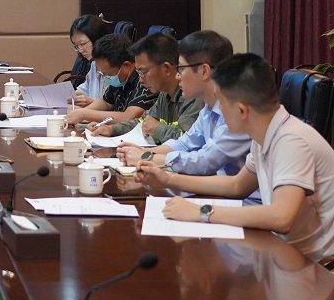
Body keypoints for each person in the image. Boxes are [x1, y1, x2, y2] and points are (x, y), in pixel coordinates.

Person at [137, 53, 334, 263]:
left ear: (241, 110)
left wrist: (201, 212)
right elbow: (237, 185)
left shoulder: (291, 141)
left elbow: (281, 217)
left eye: (221, 103)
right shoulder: (266, 134)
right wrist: (168, 179)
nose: (219, 111)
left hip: (316, 266)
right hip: (283, 254)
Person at [117, 30, 251, 176]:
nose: (177, 76)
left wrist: (148, 158)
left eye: (181, 68)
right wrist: (143, 152)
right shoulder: (208, 108)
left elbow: (204, 161)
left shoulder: (237, 111)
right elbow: (184, 144)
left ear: (204, 71)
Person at [89, 32, 203, 144]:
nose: (140, 79)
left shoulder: (193, 96)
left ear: (166, 68)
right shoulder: (165, 94)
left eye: (143, 72)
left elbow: (188, 141)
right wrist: (111, 129)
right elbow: (142, 122)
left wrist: (157, 128)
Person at [66, 33, 153, 125]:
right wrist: (80, 112)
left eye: (107, 74)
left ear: (126, 66)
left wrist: (85, 114)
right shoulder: (120, 79)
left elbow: (128, 117)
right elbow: (106, 103)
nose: (105, 78)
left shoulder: (145, 80)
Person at [69, 14, 109, 107]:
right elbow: (85, 89)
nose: (80, 50)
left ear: (97, 39)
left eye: (83, 44)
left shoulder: (113, 67)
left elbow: (113, 104)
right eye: (76, 46)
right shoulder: (94, 64)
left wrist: (92, 102)